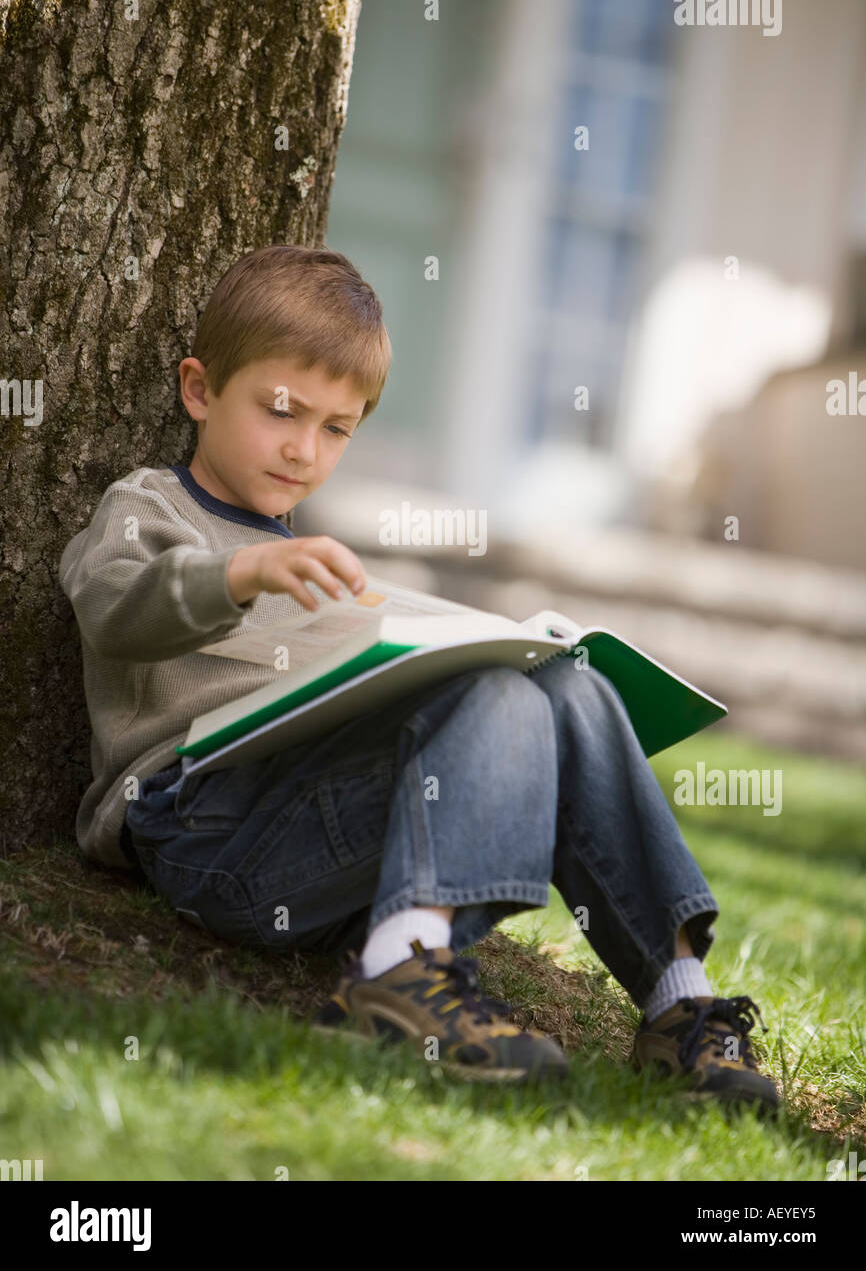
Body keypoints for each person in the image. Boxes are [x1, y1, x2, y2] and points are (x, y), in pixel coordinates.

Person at [59, 243, 779, 1108]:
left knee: (566, 682)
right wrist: (237, 578)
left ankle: (681, 1006)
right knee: (501, 693)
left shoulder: (309, 557)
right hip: (203, 828)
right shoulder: (149, 506)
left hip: (322, 851)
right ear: (200, 390)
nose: (303, 450)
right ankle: (400, 977)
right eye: (281, 411)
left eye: (336, 429)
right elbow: (113, 607)